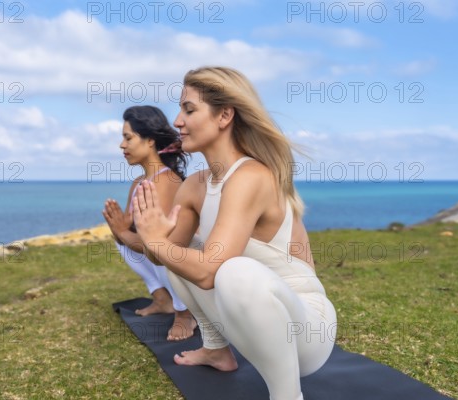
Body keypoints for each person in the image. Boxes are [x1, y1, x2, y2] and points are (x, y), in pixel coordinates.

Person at [131, 67, 337, 400]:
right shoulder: (195, 185)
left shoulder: (252, 175)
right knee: (182, 252)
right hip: (252, 321)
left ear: (225, 115)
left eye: (189, 109)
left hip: (306, 331)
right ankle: (216, 349)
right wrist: (153, 233)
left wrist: (157, 241)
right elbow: (166, 257)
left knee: (231, 270)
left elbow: (212, 270)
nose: (177, 121)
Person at [102, 105, 197, 341]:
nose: (122, 145)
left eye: (128, 138)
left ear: (150, 141)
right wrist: (119, 231)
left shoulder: (165, 181)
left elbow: (160, 245)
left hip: (187, 261)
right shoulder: (139, 182)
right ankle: (162, 299)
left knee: (151, 245)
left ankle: (185, 314)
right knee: (123, 239)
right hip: (158, 252)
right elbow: (128, 235)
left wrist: (123, 232)